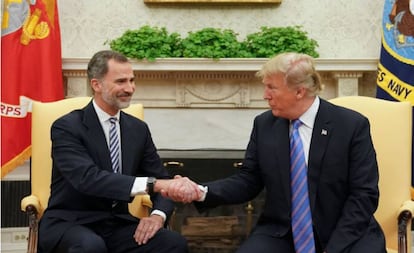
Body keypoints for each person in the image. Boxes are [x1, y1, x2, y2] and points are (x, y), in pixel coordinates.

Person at [165, 52, 387, 253]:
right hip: (283, 233)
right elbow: (248, 181)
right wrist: (201, 191)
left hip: (345, 231)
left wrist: (334, 249)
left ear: (300, 91)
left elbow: (364, 195)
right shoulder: (265, 125)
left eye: (272, 87)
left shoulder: (350, 125)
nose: (265, 95)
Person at [38, 50, 201, 253]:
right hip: (71, 222)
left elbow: (161, 179)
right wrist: (157, 184)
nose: (130, 88)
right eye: (121, 81)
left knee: (172, 243)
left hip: (116, 225)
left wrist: (157, 216)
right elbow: (88, 178)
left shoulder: (137, 129)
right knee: (91, 247)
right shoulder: (67, 127)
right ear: (96, 85)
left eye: (132, 80)